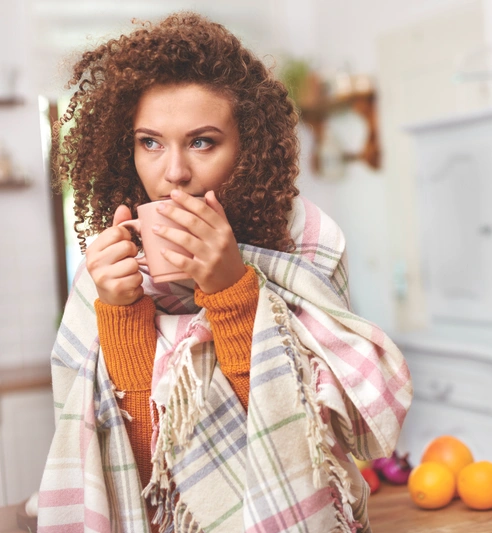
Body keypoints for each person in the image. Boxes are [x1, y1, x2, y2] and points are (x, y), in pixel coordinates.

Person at [38, 12, 412, 533]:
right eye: (150, 142)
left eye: (202, 142)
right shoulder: (107, 268)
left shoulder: (309, 246)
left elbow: (302, 444)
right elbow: (141, 471)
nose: (174, 173)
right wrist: (121, 312)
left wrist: (233, 291)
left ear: (248, 150)